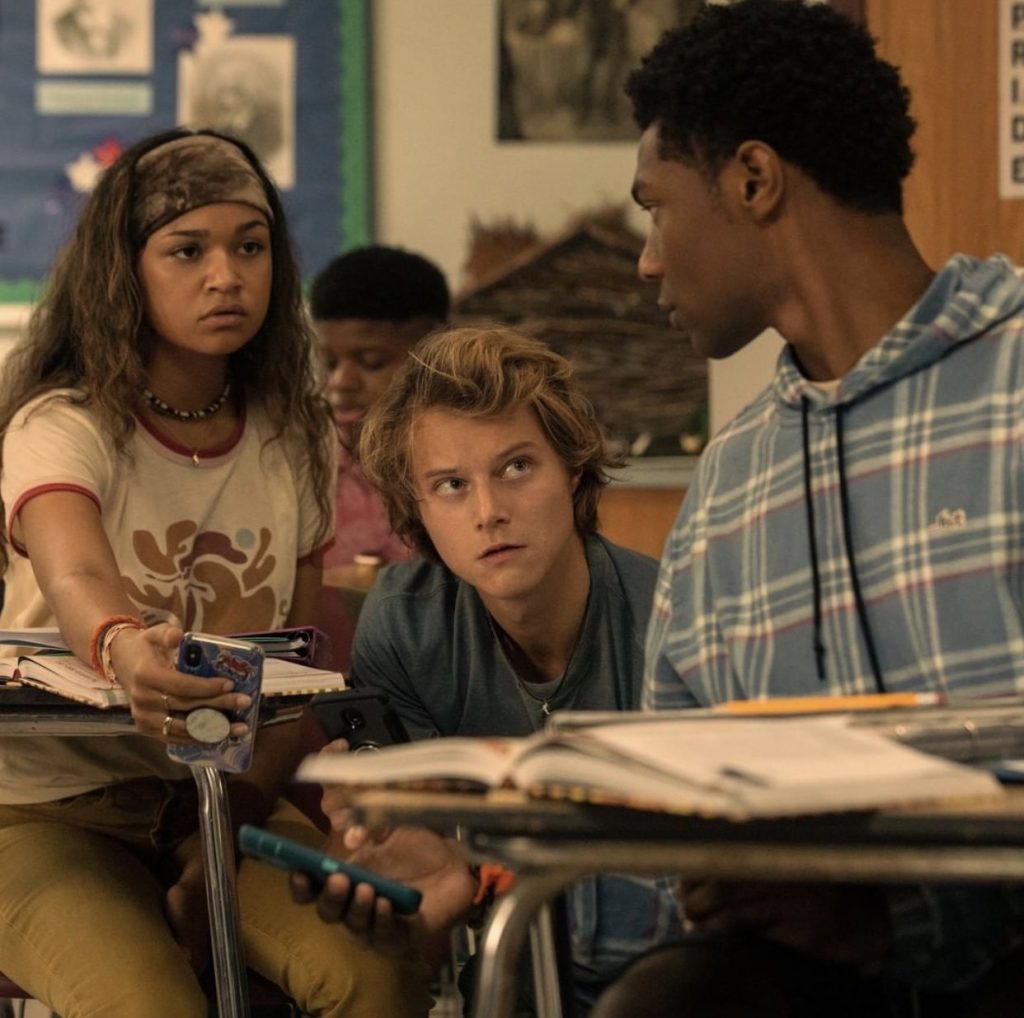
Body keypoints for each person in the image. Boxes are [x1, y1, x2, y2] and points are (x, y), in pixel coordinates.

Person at [592, 1, 1024, 1015]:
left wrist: (900, 919)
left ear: (752, 179)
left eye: (654, 208)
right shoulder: (728, 492)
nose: (648, 258)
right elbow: (679, 805)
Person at [0, 127, 431, 1018]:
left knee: (376, 978)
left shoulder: (296, 434)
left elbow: (294, 668)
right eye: (187, 250)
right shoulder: (61, 423)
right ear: (126, 269)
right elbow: (77, 572)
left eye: (251, 245)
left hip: (211, 796)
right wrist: (124, 649)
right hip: (41, 811)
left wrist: (226, 830)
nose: (226, 276)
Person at [293, 326, 683, 1014]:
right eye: (451, 485)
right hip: (513, 981)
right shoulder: (407, 625)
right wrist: (385, 845)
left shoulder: (674, 619)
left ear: (572, 469)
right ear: (416, 510)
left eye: (516, 468)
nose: (488, 512)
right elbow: (425, 881)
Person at [309, 244, 450, 569]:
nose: (341, 382)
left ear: (432, 355)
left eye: (371, 362)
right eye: (329, 363)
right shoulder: (305, 464)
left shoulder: (463, 466)